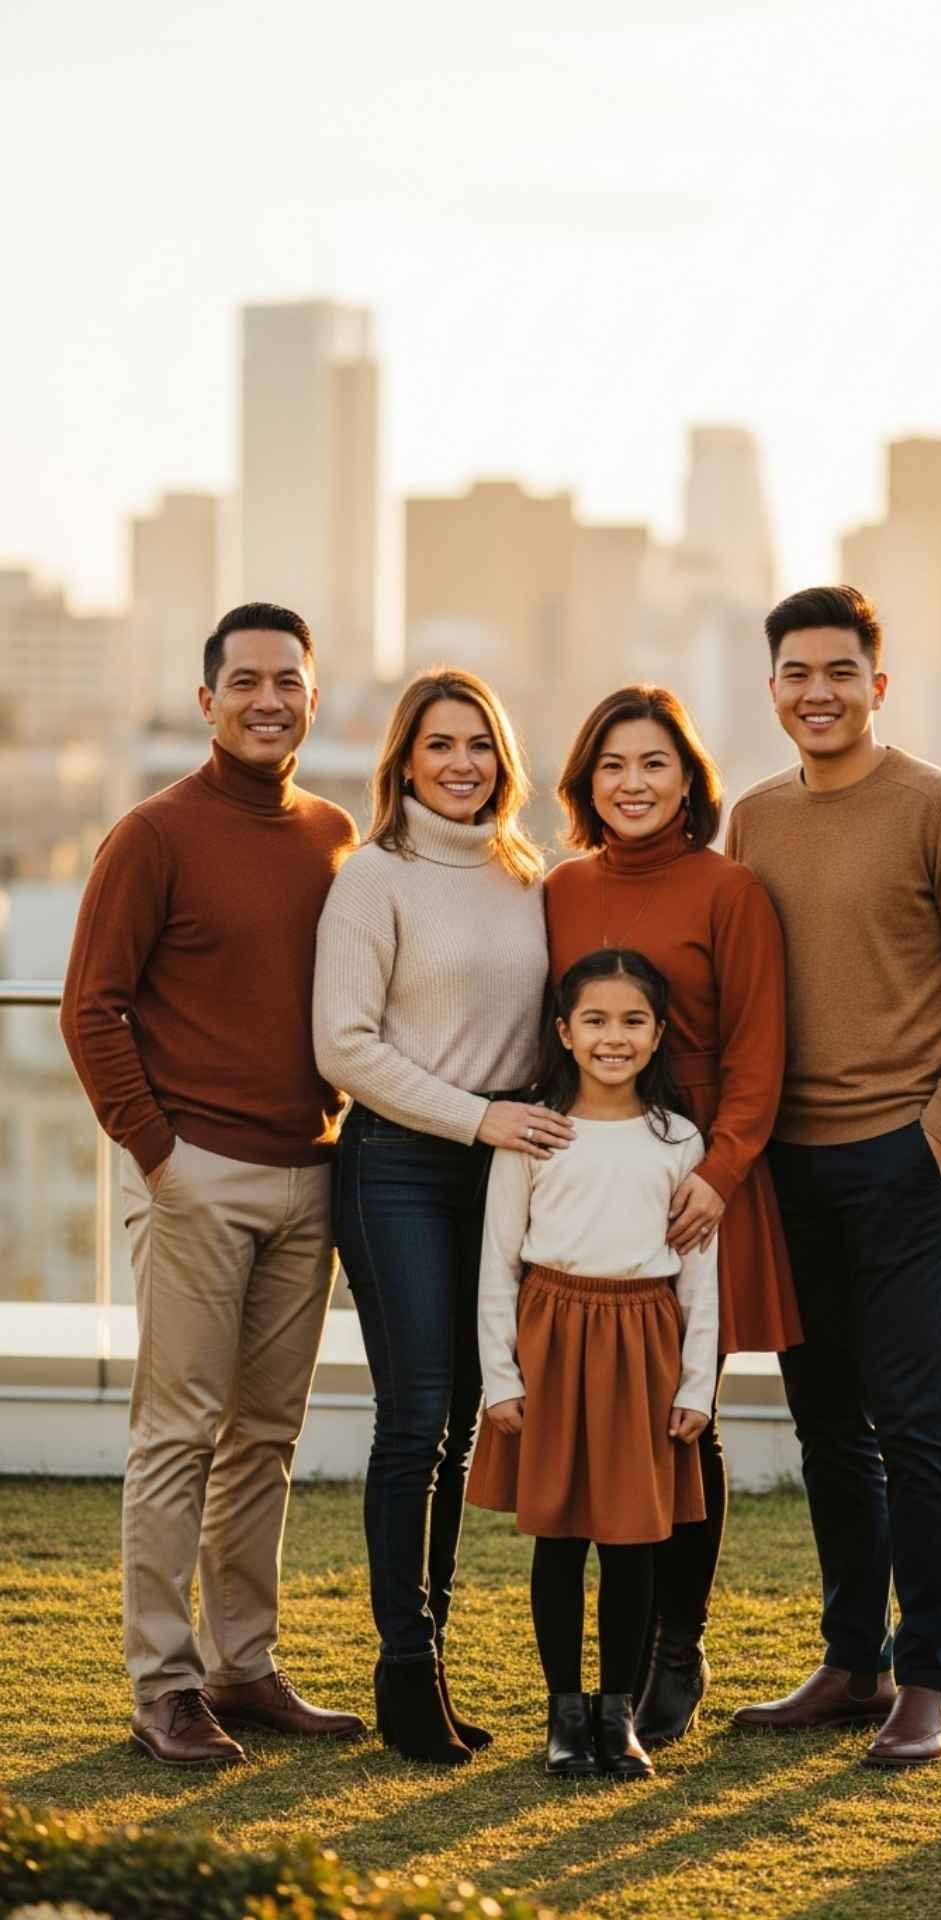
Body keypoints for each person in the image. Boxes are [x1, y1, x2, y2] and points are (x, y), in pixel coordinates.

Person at [726, 584, 941, 1767]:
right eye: (797, 674)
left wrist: (935, 1132)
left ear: (876, 684)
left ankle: (927, 1682)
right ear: (772, 691)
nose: (818, 692)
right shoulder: (753, 821)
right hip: (783, 1166)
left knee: (914, 1423)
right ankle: (852, 1662)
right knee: (823, 1428)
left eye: (839, 672)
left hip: (902, 1160)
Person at [59, 602, 365, 1767]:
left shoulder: (335, 835)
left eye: (288, 679)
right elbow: (93, 1006)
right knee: (179, 1434)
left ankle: (242, 1667)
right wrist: (158, 1155)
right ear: (208, 701)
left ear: (313, 696)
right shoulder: (152, 834)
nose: (268, 699)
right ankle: (162, 1687)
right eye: (245, 681)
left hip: (310, 1177)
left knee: (264, 1439)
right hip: (195, 1175)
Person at [312, 667, 566, 1767]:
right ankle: (405, 1674)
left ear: (502, 761)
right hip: (399, 1168)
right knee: (414, 1420)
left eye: (479, 744)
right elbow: (345, 1047)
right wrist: (479, 1121)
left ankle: (436, 1663)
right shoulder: (375, 878)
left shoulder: (526, 875)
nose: (461, 763)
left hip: (499, 1172)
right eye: (438, 745)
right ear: (404, 762)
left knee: (463, 1423)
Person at [545, 685, 802, 1747]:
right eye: (612, 765)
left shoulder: (730, 889)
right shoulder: (557, 888)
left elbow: (758, 1050)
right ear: (585, 781)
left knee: (683, 1415)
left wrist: (723, 1173)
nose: (633, 784)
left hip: (703, 1179)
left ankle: (676, 1644)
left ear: (688, 779)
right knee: (599, 1414)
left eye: (654, 764)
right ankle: (595, 1678)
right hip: (591, 1172)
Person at [467, 948, 719, 1779]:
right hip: (552, 1337)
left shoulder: (678, 1141)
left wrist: (697, 1385)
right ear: (565, 1032)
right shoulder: (534, 1130)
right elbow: (499, 1260)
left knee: (632, 1539)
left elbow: (700, 1277)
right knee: (562, 1536)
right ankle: (564, 1718)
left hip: (643, 1343)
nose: (615, 1037)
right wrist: (501, 1377)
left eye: (633, 1020)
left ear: (657, 1033)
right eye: (597, 1021)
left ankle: (621, 1717)